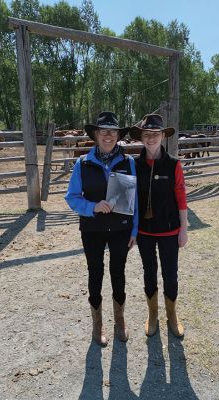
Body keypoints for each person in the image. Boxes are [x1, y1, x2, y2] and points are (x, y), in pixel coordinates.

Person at [65, 111, 138, 346]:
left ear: (118, 135)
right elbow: (72, 197)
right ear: (96, 134)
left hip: (121, 230)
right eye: (103, 131)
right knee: (95, 273)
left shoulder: (129, 163)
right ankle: (97, 325)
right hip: (93, 230)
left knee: (118, 272)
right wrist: (92, 206)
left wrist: (135, 230)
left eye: (113, 131)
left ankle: (120, 320)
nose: (108, 136)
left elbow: (134, 201)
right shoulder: (82, 164)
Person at [130, 114, 188, 338]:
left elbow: (181, 197)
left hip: (170, 230)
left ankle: (171, 315)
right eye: (147, 134)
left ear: (163, 136)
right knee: (149, 272)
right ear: (141, 137)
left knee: (171, 274)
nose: (151, 138)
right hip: (144, 231)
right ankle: (152, 313)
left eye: (155, 134)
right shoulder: (133, 165)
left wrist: (184, 228)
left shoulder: (174, 164)